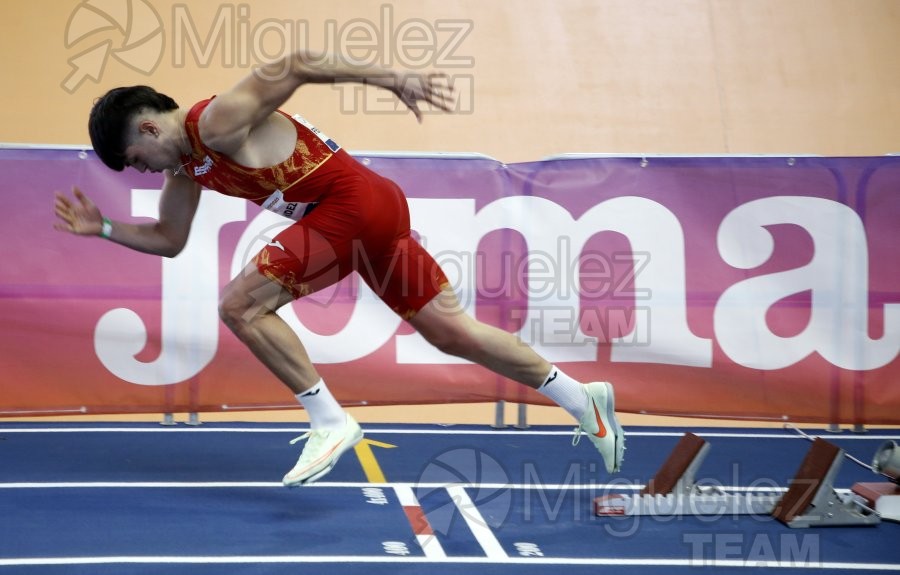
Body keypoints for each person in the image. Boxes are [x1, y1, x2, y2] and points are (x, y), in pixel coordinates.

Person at [54, 51, 625, 486]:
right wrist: (102, 228)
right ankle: (582, 398)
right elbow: (169, 239)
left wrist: (390, 78)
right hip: (373, 210)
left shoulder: (213, 123)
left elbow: (294, 62)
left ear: (149, 130)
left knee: (239, 304)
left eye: (137, 161)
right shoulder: (190, 168)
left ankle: (329, 421)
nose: (145, 172)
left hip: (351, 206)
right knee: (452, 332)